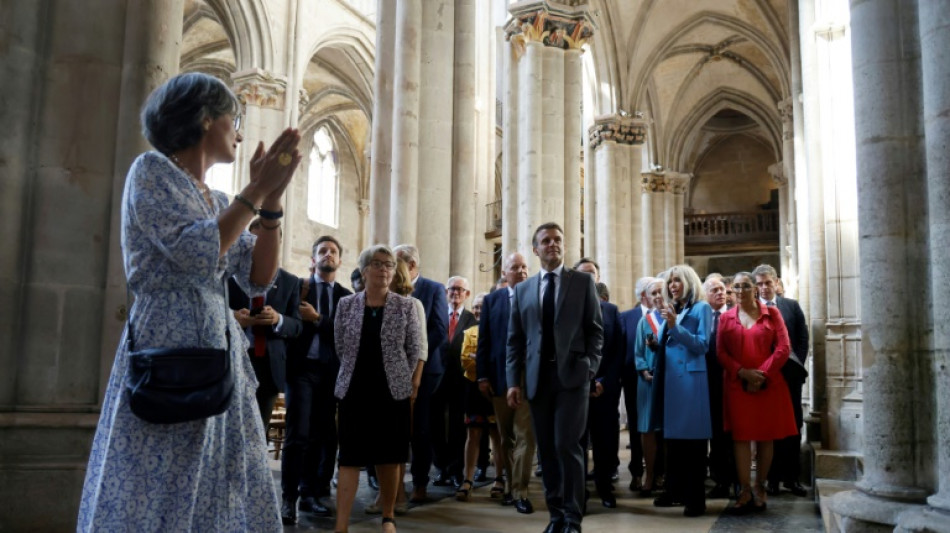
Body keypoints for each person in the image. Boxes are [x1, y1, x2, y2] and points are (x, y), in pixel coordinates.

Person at [78, 72, 301, 531]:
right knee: (161, 476)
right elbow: (195, 250)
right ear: (204, 119)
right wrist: (255, 191)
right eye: (233, 118)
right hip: (168, 343)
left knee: (221, 480)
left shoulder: (220, 198)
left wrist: (272, 204)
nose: (239, 130)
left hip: (219, 351)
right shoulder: (152, 170)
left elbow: (259, 277)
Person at [507, 222, 604, 533]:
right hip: (537, 379)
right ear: (536, 250)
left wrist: (590, 367)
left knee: (567, 445)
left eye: (557, 239)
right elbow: (515, 339)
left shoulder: (582, 283)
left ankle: (573, 518)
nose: (552, 244)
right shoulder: (523, 290)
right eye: (545, 241)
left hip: (573, 378)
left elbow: (595, 331)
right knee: (546, 450)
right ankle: (556, 515)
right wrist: (512, 381)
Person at [333, 245, 423, 533]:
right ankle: (341, 525)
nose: (384, 269)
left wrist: (401, 379)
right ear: (364, 270)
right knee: (349, 457)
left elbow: (413, 349)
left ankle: (388, 517)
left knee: (389, 455)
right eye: (377, 263)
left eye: (388, 264)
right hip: (353, 390)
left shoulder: (406, 306)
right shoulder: (346, 305)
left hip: (391, 391)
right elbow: (340, 346)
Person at [280, 235, 352, 523]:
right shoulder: (299, 288)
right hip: (301, 370)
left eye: (333, 251)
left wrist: (318, 319)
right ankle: (289, 498)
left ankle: (310, 493)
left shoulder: (346, 297)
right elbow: (286, 323)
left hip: (330, 371)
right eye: (322, 251)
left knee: (322, 434)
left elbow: (346, 334)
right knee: (298, 435)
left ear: (340, 260)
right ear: (313, 260)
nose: (328, 255)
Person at [716, 271, 797, 513]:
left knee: (765, 436)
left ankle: (760, 486)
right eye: (736, 287)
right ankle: (743, 489)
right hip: (737, 384)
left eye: (745, 286)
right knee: (740, 437)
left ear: (754, 289)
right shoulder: (726, 318)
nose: (740, 291)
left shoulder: (772, 313)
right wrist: (743, 372)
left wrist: (760, 375)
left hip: (768, 383)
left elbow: (784, 347)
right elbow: (720, 352)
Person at [476, 253, 536, 512]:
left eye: (524, 267)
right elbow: (484, 341)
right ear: (504, 272)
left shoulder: (536, 297)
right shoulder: (492, 301)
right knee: (506, 436)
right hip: (500, 378)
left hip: (529, 377)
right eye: (515, 267)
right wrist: (482, 376)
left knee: (525, 436)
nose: (521, 271)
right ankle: (511, 485)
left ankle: (521, 491)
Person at [651, 264, 713, 517]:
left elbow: (702, 345)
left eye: (677, 281)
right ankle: (675, 491)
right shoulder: (674, 309)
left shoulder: (702, 308)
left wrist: (676, 326)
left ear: (688, 282)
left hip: (689, 382)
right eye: (669, 282)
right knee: (674, 443)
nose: (672, 286)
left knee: (694, 446)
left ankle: (696, 500)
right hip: (671, 381)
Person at [228, 222, 302, 430]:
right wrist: (235, 317)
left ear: (277, 242)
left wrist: (278, 319)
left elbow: (297, 326)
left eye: (267, 241)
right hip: (236, 358)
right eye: (254, 241)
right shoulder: (230, 277)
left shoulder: (290, 281)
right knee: (232, 426)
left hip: (269, 365)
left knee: (259, 429)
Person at [393, 244, 448, 503]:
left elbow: (439, 329)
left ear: (411, 264)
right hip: (394, 369)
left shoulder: (434, 288)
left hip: (426, 371)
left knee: (420, 429)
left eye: (396, 263)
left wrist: (414, 357)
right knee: (395, 427)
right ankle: (390, 483)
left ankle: (420, 482)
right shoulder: (390, 289)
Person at [754, 264, 810, 497]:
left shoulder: (791, 306)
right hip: (765, 377)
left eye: (768, 282)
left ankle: (792, 478)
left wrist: (794, 364)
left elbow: (802, 337)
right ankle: (772, 478)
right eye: (760, 283)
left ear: (776, 283)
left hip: (789, 375)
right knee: (769, 427)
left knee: (793, 425)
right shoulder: (752, 309)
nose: (764, 287)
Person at [574, 258, 624, 509]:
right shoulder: (567, 308)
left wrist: (604, 380)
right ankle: (579, 491)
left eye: (591, 273)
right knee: (578, 443)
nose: (587, 276)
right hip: (577, 388)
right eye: (582, 273)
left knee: (605, 441)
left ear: (597, 278)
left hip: (605, 388)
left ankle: (605, 487)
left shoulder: (611, 311)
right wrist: (584, 380)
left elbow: (617, 351)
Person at [456, 292, 505, 501]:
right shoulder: (469, 332)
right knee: (473, 434)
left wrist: (482, 361)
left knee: (497, 435)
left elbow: (499, 360)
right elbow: (465, 361)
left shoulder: (499, 331)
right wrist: (483, 363)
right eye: (476, 307)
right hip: (473, 387)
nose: (478, 311)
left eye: (482, 307)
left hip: (495, 388)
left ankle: (500, 478)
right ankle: (467, 479)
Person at [431, 276, 477, 489]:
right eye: (452, 289)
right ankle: (441, 469)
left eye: (460, 290)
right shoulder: (438, 315)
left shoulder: (471, 320)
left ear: (467, 294)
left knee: (459, 426)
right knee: (437, 425)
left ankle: (456, 470)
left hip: (461, 381)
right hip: (437, 378)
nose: (455, 293)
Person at [618, 277, 654, 492]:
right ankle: (636, 472)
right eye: (654, 292)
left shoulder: (663, 316)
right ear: (643, 296)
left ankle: (657, 472)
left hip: (659, 380)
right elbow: (622, 349)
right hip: (633, 380)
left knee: (656, 429)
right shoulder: (627, 317)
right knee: (636, 427)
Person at [703, 276, 736, 499]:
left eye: (723, 289)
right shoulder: (701, 317)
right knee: (716, 435)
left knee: (734, 435)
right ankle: (720, 480)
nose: (720, 293)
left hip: (733, 381)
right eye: (714, 290)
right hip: (708, 385)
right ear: (705, 294)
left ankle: (738, 479)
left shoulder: (735, 315)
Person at [632, 277, 665, 498]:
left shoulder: (675, 318)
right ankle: (649, 475)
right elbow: (637, 352)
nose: (657, 297)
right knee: (647, 430)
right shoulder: (644, 321)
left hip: (670, 382)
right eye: (653, 293)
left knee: (668, 430)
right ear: (647, 297)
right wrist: (644, 370)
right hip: (647, 382)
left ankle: (667, 475)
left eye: (660, 292)